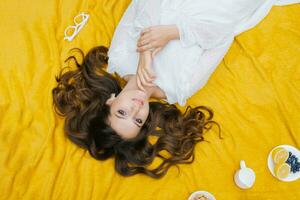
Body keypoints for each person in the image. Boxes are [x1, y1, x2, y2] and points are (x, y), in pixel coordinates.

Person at [52, 0, 298, 178]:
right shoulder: (181, 88)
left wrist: (145, 53)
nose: (136, 108)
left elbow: (145, 4)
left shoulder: (118, 57)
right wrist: (173, 32)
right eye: (138, 120)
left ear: (110, 101)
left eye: (122, 112)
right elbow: (223, 36)